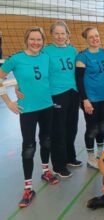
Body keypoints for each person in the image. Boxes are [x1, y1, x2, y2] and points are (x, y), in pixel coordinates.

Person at [0, 27, 58, 207]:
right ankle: (28, 187)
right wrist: (9, 101)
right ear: (26, 40)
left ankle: (46, 171)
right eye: (32, 39)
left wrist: (19, 86)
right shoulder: (15, 59)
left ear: (43, 41)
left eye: (39, 40)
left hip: (47, 105)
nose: (36, 43)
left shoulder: (46, 57)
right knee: (29, 147)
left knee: (47, 140)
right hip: (27, 110)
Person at [44, 21, 81, 177]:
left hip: (73, 92)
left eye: (62, 33)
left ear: (67, 35)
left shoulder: (73, 50)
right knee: (58, 129)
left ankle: (70, 157)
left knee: (71, 127)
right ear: (52, 35)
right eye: (57, 33)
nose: (60, 36)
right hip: (57, 93)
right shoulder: (46, 51)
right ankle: (59, 165)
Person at [75, 27, 104, 169]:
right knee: (92, 128)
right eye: (91, 37)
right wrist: (84, 99)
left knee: (102, 126)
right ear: (86, 39)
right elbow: (79, 81)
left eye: (96, 36)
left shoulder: (103, 52)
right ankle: (90, 158)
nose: (95, 39)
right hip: (90, 99)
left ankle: (100, 154)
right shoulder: (82, 57)